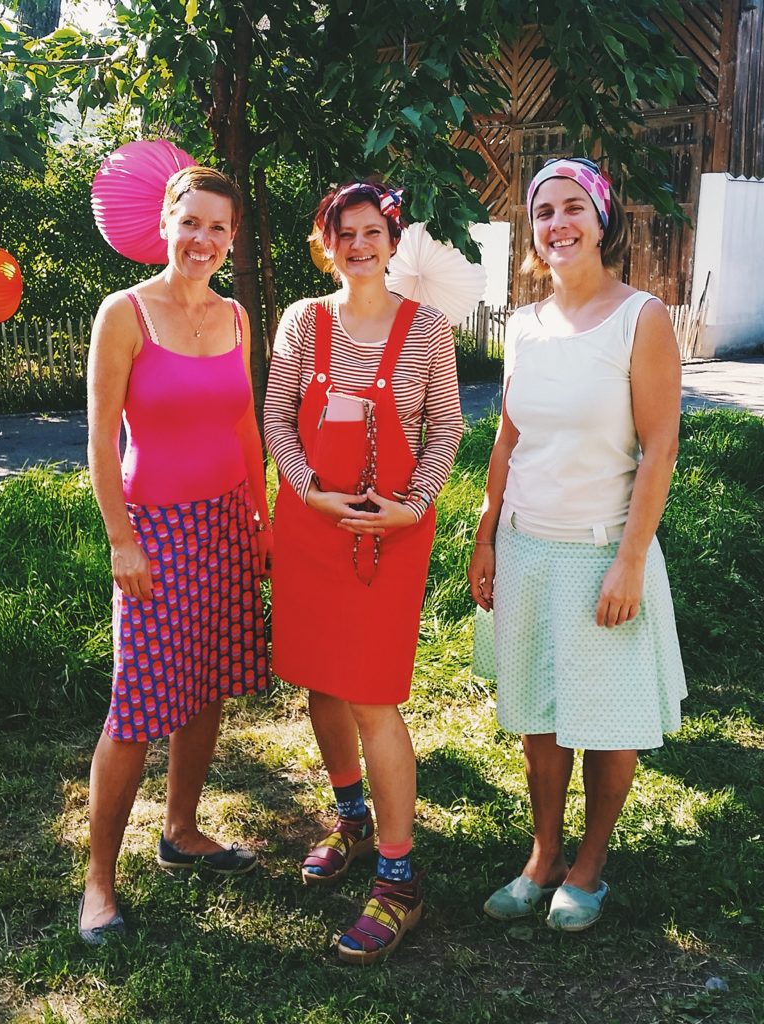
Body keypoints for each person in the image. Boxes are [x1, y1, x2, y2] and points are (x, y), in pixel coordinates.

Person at [468, 158, 686, 932]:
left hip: (603, 552)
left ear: (601, 221)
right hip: (527, 549)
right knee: (538, 712)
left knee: (607, 718)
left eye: (572, 208)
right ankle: (544, 855)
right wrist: (486, 533)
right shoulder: (524, 325)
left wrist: (630, 559)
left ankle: (589, 866)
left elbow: (659, 449)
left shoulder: (641, 318)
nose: (557, 224)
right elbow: (508, 437)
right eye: (543, 213)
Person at [264, 180, 463, 964]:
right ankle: (350, 817)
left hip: (391, 533)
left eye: (371, 231)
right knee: (322, 679)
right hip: (312, 527)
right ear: (326, 244)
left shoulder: (428, 328)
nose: (358, 245)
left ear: (392, 240)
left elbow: (446, 426)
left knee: (373, 696)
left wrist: (413, 505)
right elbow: (278, 419)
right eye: (342, 233)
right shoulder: (302, 322)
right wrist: (308, 490)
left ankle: (399, 877)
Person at [80, 166, 271, 944]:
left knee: (209, 682)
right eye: (191, 221)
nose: (203, 239)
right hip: (153, 531)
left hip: (226, 522)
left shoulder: (235, 316)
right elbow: (99, 439)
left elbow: (244, 425)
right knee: (136, 707)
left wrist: (261, 519)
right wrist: (121, 539)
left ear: (232, 238)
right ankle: (98, 884)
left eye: (218, 227)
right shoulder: (123, 314)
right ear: (166, 223)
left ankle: (182, 831)